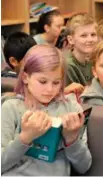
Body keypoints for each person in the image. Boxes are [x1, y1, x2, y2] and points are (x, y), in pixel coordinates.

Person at [1, 45, 92, 176]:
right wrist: (25, 138)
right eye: (42, 82)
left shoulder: (72, 109)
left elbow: (84, 167)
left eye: (56, 83)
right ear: (26, 77)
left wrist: (72, 140)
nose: (50, 89)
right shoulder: (11, 108)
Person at [1, 31, 85, 97]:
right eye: (42, 82)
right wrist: (63, 92)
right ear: (13, 61)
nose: (35, 64)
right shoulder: (8, 80)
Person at [65, 12, 98, 86]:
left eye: (93, 34)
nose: (90, 39)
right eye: (83, 35)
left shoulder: (91, 61)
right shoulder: (68, 66)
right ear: (71, 40)